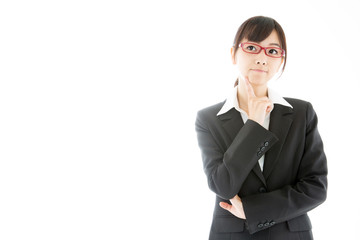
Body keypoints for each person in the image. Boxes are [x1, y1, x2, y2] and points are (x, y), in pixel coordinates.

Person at [195, 16, 327, 240]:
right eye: (252, 47)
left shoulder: (301, 113)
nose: (262, 58)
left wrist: (253, 209)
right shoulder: (208, 119)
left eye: (273, 51)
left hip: (290, 235)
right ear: (233, 53)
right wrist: (254, 126)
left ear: (280, 60)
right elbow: (222, 185)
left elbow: (316, 187)